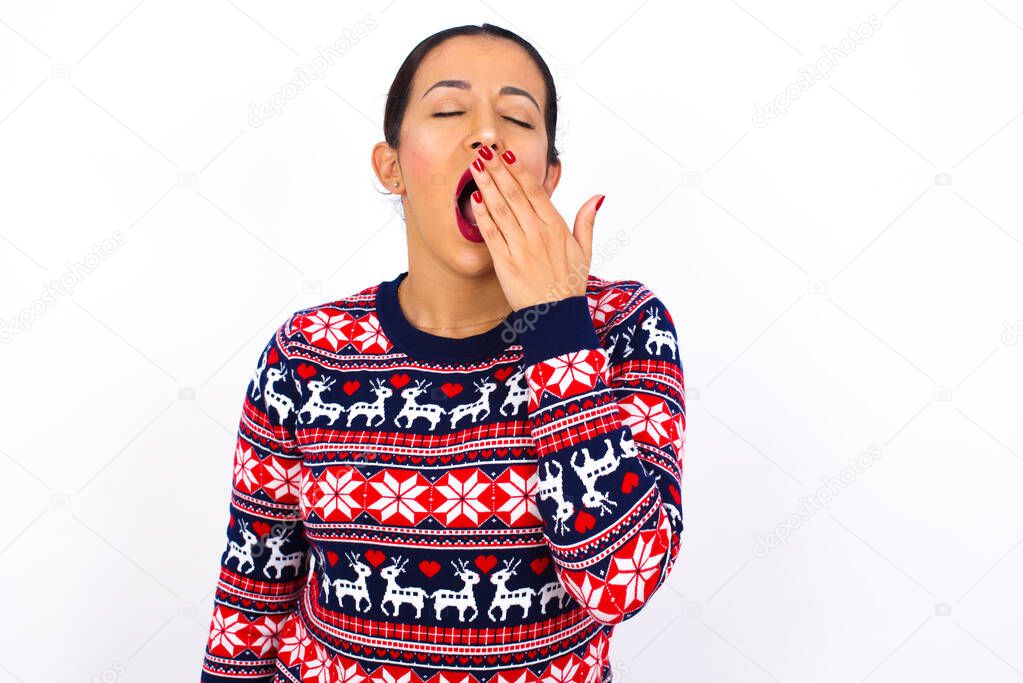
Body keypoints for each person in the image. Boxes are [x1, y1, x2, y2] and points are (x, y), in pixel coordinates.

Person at [200, 23, 685, 683]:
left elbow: (618, 584)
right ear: (391, 166)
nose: (486, 137)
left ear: (548, 174)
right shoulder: (305, 353)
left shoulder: (622, 327)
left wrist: (554, 323)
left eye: (517, 117)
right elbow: (248, 603)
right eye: (448, 111)